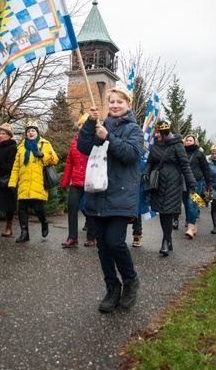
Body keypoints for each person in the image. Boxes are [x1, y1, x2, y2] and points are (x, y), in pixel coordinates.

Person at [77, 87, 143, 313]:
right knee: (103, 246)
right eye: (111, 102)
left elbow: (131, 154)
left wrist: (110, 137)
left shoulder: (134, 129)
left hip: (121, 194)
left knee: (115, 241)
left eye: (120, 102)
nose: (115, 105)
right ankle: (111, 287)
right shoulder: (99, 126)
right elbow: (83, 147)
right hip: (98, 193)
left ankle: (130, 279)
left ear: (128, 105)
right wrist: (89, 124)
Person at [141, 119, 197, 257]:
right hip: (158, 183)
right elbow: (150, 162)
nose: (156, 135)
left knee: (167, 211)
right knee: (161, 211)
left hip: (173, 182)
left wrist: (192, 182)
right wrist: (146, 173)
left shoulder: (177, 145)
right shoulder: (156, 146)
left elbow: (185, 165)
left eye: (158, 133)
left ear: (164, 132)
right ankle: (168, 239)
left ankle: (165, 241)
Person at [8, 121, 58, 243]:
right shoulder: (21, 148)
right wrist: (12, 183)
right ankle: (24, 233)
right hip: (24, 183)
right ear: (26, 134)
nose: (31, 133)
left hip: (38, 182)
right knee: (22, 208)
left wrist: (43, 155)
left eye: (33, 131)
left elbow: (55, 160)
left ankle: (44, 222)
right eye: (28, 131)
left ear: (37, 132)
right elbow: (16, 167)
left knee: (38, 208)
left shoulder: (45, 144)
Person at [60, 113, 96, 248]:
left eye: (84, 124)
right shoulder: (74, 142)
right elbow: (69, 163)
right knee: (72, 206)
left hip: (91, 181)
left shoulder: (96, 141)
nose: (82, 126)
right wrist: (64, 182)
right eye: (80, 124)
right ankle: (72, 237)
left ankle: (92, 237)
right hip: (76, 181)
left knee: (90, 209)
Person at [182, 135, 212, 239]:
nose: (188, 142)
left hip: (196, 182)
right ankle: (193, 225)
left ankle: (191, 228)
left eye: (191, 140)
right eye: (187, 140)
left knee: (192, 203)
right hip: (183, 183)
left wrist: (209, 183)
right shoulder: (181, 153)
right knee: (186, 203)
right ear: (184, 142)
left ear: (195, 142)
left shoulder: (199, 154)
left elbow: (206, 169)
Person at [207, 145, 216, 234]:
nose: (214, 155)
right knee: (214, 205)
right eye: (213, 153)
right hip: (213, 187)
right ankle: (215, 225)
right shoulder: (209, 164)